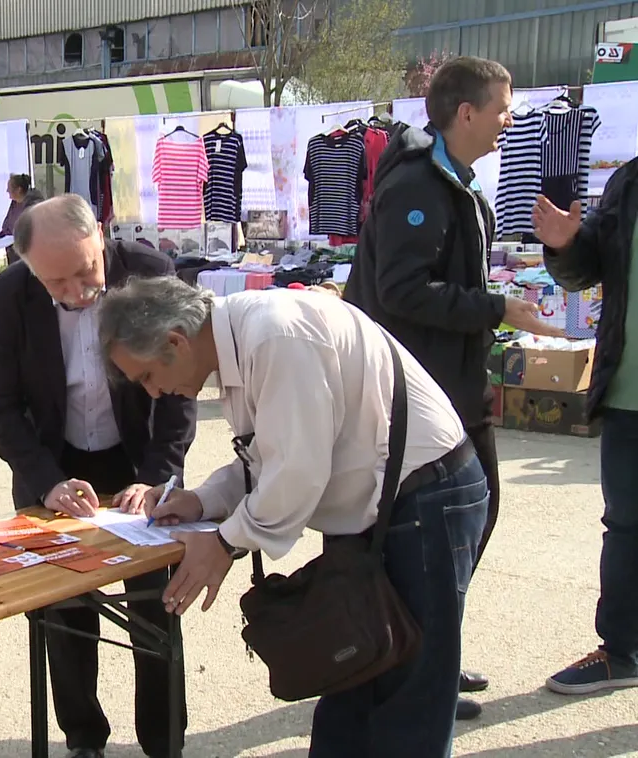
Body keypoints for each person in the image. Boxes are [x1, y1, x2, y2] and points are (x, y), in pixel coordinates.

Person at [100, 277, 486, 758]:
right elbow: (268, 456)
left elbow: (297, 470)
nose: (155, 393)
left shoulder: (274, 336)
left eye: (147, 377)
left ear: (176, 341)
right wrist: (202, 501)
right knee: (351, 669)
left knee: (409, 694)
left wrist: (223, 543)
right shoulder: (243, 339)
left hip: (424, 499)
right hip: (380, 506)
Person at [342, 55, 565, 720]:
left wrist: (489, 324)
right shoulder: (417, 184)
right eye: (500, 108)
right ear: (463, 112)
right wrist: (496, 310)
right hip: (419, 400)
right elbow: (402, 292)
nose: (508, 120)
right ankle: (412, 669)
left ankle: (425, 652)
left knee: (465, 524)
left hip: (449, 390)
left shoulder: (454, 181)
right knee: (436, 534)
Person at [0, 194, 197, 758]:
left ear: (101, 236)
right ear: (30, 269)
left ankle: (163, 739)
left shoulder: (149, 271)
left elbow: (179, 395)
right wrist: (46, 480)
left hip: (136, 458)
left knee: (156, 607)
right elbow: (0, 405)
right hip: (58, 465)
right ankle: (83, 738)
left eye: (86, 273)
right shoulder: (8, 296)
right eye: (58, 285)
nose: (79, 294)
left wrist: (158, 477)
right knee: (65, 614)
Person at [533, 155, 638, 695]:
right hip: (628, 393)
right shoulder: (628, 180)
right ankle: (622, 652)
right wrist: (566, 244)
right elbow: (585, 269)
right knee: (625, 529)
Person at [0, 174, 44, 266]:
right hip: (13, 251)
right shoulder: (15, 203)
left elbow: (30, 229)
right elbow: (8, 224)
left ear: (18, 190)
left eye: (9, 188)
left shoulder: (34, 204)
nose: (7, 191)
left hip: (27, 253)